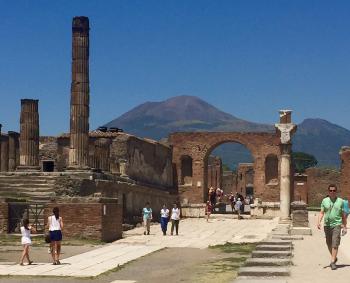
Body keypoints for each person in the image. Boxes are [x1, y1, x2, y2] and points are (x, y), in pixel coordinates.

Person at [317, 184, 347, 270]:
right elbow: (322, 212)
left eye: (334, 190)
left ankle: (332, 261)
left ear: (336, 191)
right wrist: (318, 221)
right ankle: (334, 257)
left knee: (335, 243)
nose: (332, 192)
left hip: (337, 225)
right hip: (327, 225)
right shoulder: (324, 200)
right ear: (328, 191)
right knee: (328, 243)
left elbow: (343, 215)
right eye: (330, 190)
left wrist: (344, 226)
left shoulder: (341, 201)